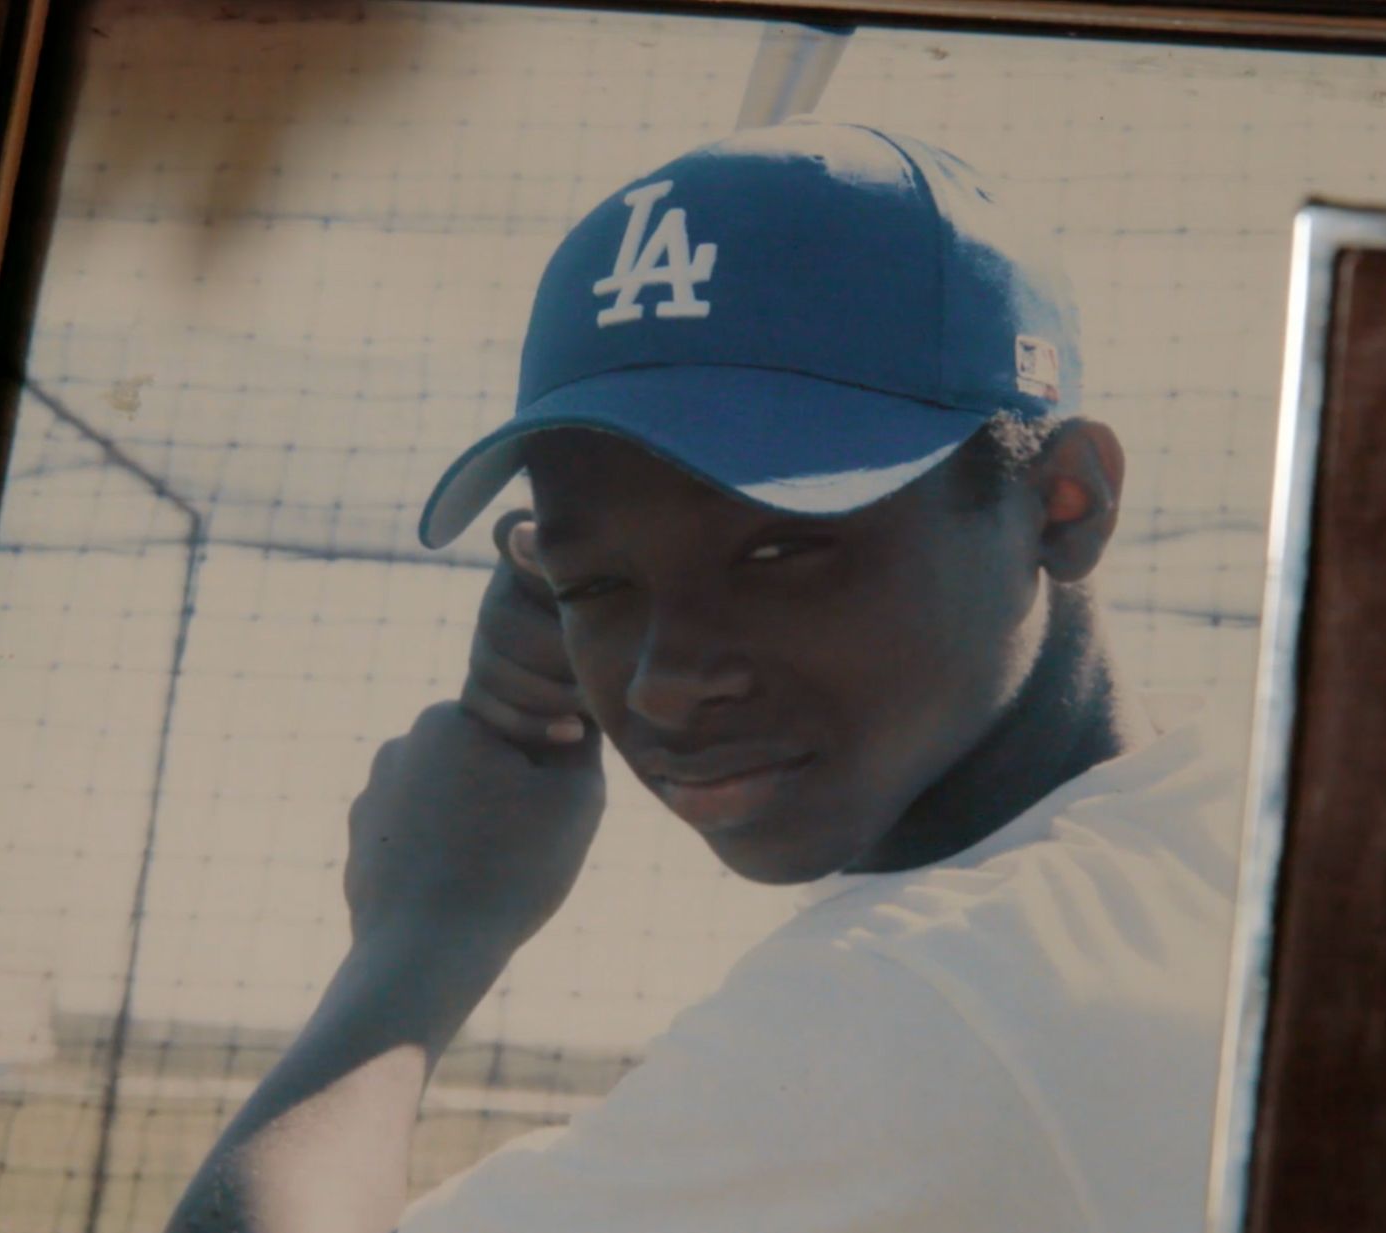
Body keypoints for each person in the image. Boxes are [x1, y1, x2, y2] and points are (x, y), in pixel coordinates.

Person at [166, 119, 1236, 1233]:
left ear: (1064, 504)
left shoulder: (923, 1002)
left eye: (781, 551)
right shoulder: (1243, 821)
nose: (663, 685)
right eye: (593, 585)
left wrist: (424, 933)